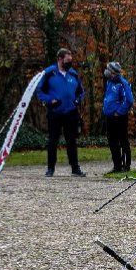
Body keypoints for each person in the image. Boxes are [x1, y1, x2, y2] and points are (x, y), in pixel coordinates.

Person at [38, 47, 86, 177]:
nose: (70, 62)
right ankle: (50, 168)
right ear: (60, 59)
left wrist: (77, 100)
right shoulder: (49, 73)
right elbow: (40, 90)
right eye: (67, 60)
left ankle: (75, 168)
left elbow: (81, 91)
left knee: (71, 140)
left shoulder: (73, 74)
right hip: (55, 112)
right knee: (53, 140)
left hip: (71, 112)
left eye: (71, 60)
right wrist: (49, 100)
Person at [102, 61, 135, 173]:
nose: (106, 71)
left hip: (119, 117)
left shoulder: (123, 83)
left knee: (123, 140)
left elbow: (129, 100)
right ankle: (117, 166)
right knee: (112, 142)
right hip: (109, 117)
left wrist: (119, 112)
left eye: (108, 69)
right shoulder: (109, 82)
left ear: (113, 72)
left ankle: (126, 166)